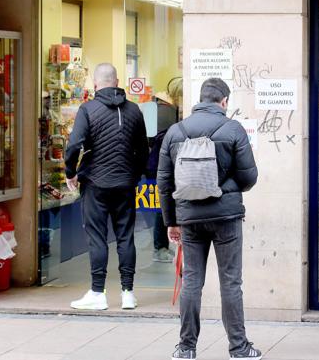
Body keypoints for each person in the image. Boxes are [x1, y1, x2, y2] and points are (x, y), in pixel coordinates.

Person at [157, 78, 261, 360]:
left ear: (200, 99)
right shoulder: (233, 128)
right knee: (231, 282)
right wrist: (227, 184)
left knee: (191, 281)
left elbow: (164, 181)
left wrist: (171, 221)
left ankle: (186, 348)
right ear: (224, 101)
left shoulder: (176, 132)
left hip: (190, 217)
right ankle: (239, 348)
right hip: (226, 215)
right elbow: (249, 177)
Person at [64, 63, 148, 310]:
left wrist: (71, 172)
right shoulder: (134, 110)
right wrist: (134, 175)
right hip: (125, 184)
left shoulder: (88, 109)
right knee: (125, 237)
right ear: (118, 80)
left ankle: (98, 293)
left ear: (95, 84)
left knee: (97, 238)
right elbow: (143, 150)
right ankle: (128, 293)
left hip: (95, 184)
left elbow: (73, 145)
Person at [145, 127, 174, 263]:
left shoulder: (163, 137)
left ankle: (162, 247)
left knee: (161, 212)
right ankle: (160, 248)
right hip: (159, 177)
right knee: (161, 212)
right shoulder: (167, 138)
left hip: (156, 176)